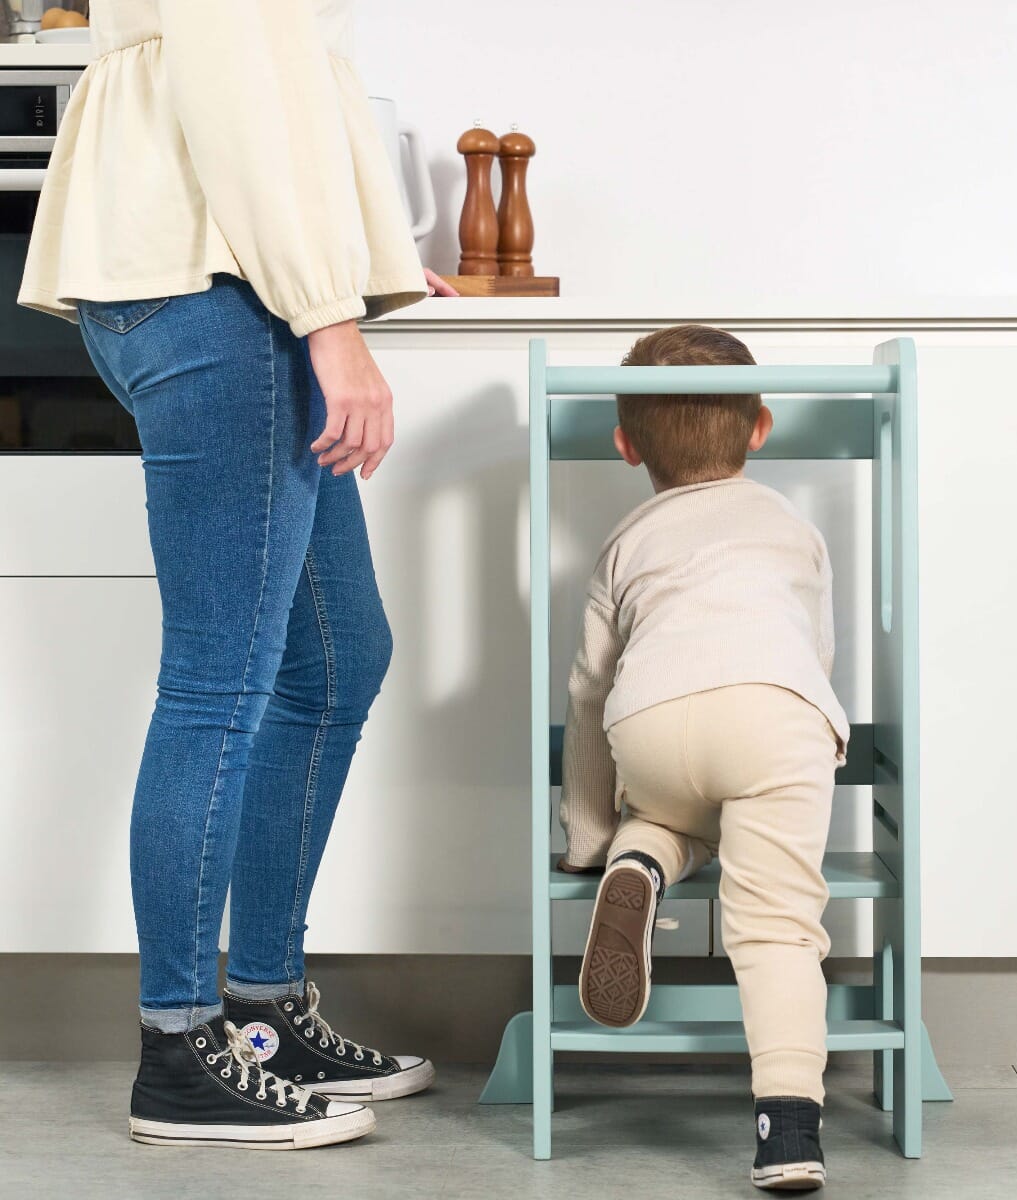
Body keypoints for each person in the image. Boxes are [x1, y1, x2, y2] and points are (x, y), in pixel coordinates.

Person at [19, 0, 454, 1150]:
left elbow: (279, 98)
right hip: (217, 296)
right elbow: (239, 99)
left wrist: (357, 268)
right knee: (219, 682)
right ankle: (178, 1053)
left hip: (227, 283)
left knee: (338, 658)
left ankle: (262, 1012)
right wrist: (329, 317)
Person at [557, 324, 850, 1191]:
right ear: (760, 428)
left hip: (651, 723)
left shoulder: (626, 540)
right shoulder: (792, 528)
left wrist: (584, 834)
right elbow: (816, 656)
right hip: (772, 717)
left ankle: (636, 860)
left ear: (626, 444)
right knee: (776, 923)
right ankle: (786, 1129)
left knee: (668, 811)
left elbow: (588, 689)